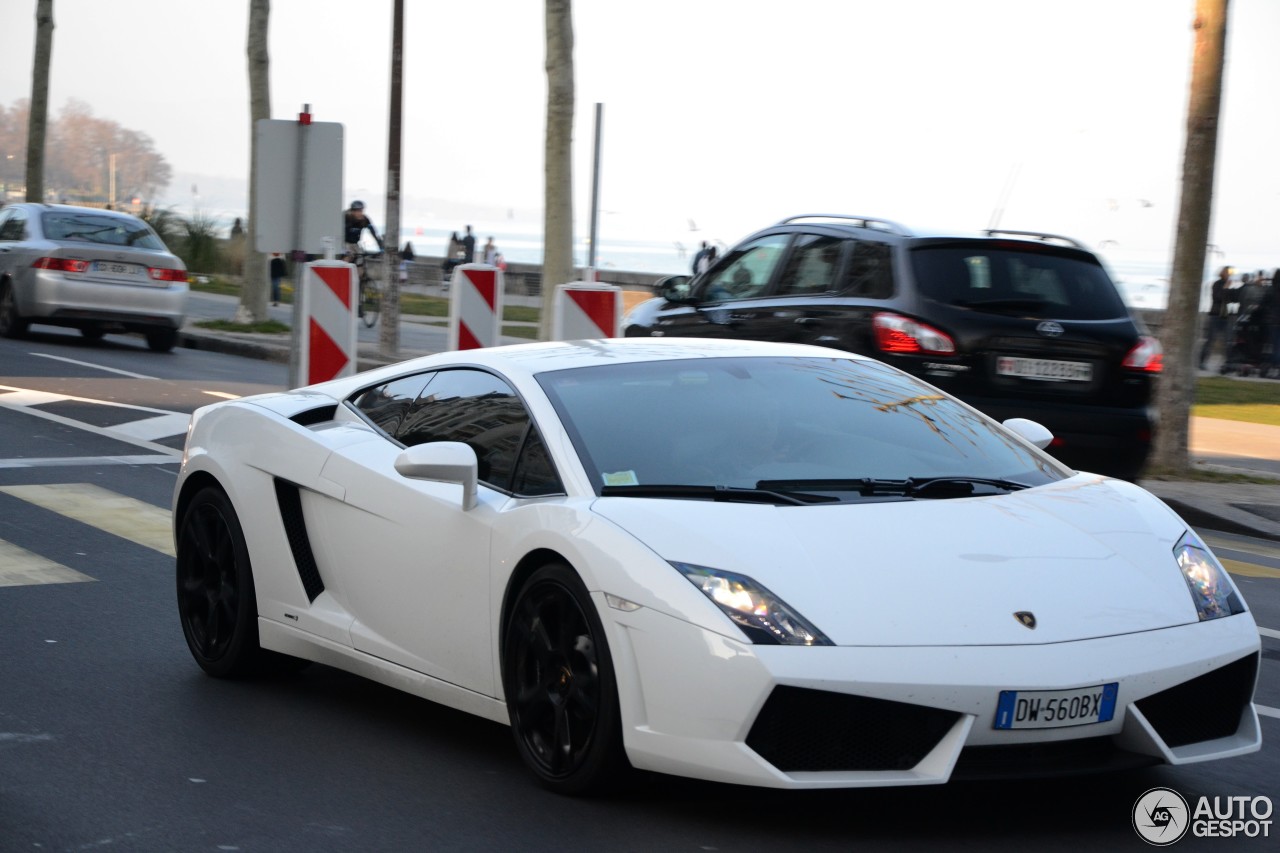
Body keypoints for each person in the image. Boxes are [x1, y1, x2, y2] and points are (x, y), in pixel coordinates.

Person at [1199, 265, 1233, 370]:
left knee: (1228, 340)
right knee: (1210, 340)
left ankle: (1227, 363)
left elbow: (1230, 299)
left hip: (1224, 316)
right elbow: (1217, 297)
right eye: (1227, 272)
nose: (1229, 275)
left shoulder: (1227, 285)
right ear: (1223, 273)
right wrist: (1226, 288)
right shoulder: (1217, 284)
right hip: (1215, 315)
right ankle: (1202, 362)